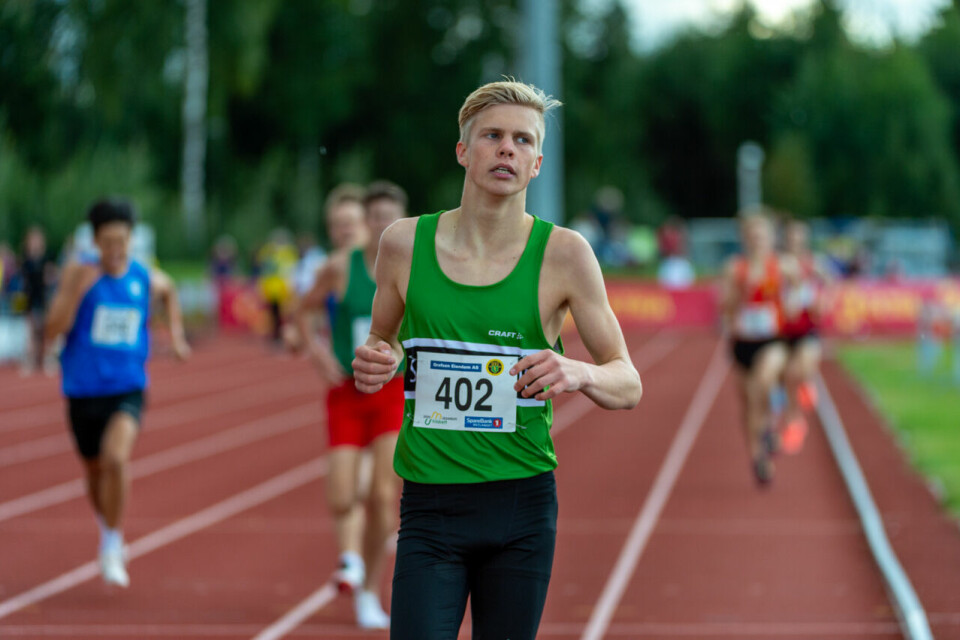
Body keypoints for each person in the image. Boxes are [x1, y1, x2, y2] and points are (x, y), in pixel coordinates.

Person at [351, 80, 643, 640]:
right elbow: (381, 343)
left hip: (520, 509)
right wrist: (376, 362)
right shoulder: (403, 244)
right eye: (492, 136)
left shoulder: (565, 255)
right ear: (464, 150)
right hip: (430, 506)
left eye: (522, 140)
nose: (507, 149)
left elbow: (627, 380)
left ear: (536, 163)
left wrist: (577, 371)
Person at [44, 199, 191, 588]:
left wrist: (175, 337)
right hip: (81, 390)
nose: (115, 251)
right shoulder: (79, 275)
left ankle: (112, 541)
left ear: (131, 239)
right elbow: (51, 330)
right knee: (94, 471)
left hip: (127, 387)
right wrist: (76, 294)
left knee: (116, 457)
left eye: (121, 241)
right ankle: (108, 527)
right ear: (94, 240)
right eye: (107, 242)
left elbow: (170, 291)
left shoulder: (143, 276)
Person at [292, 181, 408, 630]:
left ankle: (368, 588)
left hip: (392, 394)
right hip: (347, 394)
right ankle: (351, 559)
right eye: (373, 217)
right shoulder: (341, 267)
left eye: (388, 217)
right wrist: (319, 356)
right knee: (342, 494)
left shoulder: (414, 267)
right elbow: (303, 311)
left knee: (382, 496)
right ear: (365, 222)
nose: (381, 225)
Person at [721, 212, 797, 485]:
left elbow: (798, 291)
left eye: (762, 235)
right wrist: (734, 302)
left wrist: (791, 307)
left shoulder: (784, 266)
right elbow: (726, 307)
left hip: (772, 340)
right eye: (752, 236)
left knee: (764, 380)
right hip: (743, 342)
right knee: (749, 404)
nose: (757, 240)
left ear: (771, 237)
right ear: (745, 239)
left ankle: (770, 425)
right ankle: (757, 457)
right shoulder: (735, 268)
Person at [779, 220, 832, 453]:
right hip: (782, 330)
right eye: (791, 238)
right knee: (788, 378)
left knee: (801, 368)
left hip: (807, 328)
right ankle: (794, 423)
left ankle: (807, 384)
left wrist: (824, 302)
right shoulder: (779, 263)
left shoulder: (813, 262)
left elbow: (830, 283)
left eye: (798, 238)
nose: (794, 242)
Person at [20, 227, 59, 375]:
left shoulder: (46, 258)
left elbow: (52, 275)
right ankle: (31, 359)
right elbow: (23, 281)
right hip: (30, 299)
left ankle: (48, 359)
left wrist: (51, 277)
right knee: (31, 331)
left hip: (44, 298)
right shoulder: (26, 260)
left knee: (46, 330)